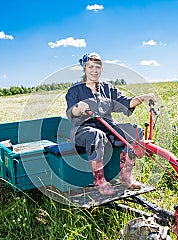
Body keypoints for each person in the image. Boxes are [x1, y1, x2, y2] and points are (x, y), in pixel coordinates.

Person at [65, 52, 155, 195]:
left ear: (102, 69)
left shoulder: (108, 89)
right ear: (84, 68)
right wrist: (78, 107)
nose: (94, 70)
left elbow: (126, 103)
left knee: (134, 131)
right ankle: (99, 180)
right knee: (96, 135)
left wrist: (143, 98)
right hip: (83, 130)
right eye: (90, 67)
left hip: (107, 126)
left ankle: (125, 176)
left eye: (98, 67)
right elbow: (71, 113)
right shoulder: (74, 90)